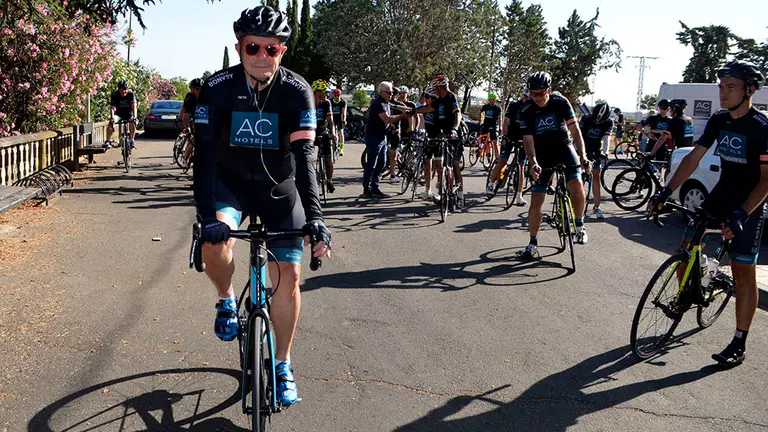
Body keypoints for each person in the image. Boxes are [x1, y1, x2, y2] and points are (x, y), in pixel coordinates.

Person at [192, 5, 331, 406]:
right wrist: (205, 218)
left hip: (278, 189)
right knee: (215, 244)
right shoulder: (217, 88)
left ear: (282, 52)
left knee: (288, 274)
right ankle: (224, 298)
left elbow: (305, 158)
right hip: (230, 185)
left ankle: (283, 363)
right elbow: (203, 156)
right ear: (239, 48)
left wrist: (317, 219)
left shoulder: (296, 90)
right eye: (253, 47)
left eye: (272, 50)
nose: (261, 57)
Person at [647, 60, 767, 367]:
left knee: (743, 272)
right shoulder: (718, 120)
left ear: (749, 90)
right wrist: (664, 190)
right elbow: (692, 160)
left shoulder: (761, 128)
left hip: (749, 203)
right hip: (721, 194)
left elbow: (766, 181)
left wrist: (742, 213)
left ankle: (739, 342)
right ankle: (691, 289)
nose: (723, 93)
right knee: (686, 246)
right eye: (721, 87)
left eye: (730, 88)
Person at [517, 71, 589, 261]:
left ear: (549, 90)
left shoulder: (560, 102)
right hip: (542, 154)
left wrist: (583, 154)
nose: (538, 97)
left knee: (576, 183)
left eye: (541, 93)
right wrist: (533, 163)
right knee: (536, 200)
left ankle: (580, 226)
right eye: (534, 94)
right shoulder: (526, 111)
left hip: (564, 148)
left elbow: (575, 130)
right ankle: (532, 243)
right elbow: (528, 141)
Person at [414, 74, 465, 205]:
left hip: (454, 135)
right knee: (442, 165)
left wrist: (455, 128)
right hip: (443, 135)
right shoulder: (439, 100)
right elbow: (428, 108)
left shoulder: (450, 97)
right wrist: (413, 111)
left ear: (439, 86)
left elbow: (457, 114)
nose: (434, 90)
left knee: (454, 164)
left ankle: (460, 194)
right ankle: (442, 192)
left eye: (435, 87)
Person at [362, 81, 412, 197]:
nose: (391, 94)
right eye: (389, 92)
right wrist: (403, 115)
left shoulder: (387, 102)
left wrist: (408, 110)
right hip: (373, 136)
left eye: (392, 92)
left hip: (382, 136)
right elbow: (387, 119)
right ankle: (367, 189)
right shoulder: (377, 103)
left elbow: (396, 106)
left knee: (382, 163)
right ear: (381, 92)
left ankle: (375, 187)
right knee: (372, 163)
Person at [487, 90, 529, 206]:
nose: (527, 100)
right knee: (502, 161)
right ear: (523, 96)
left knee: (521, 167)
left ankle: (519, 196)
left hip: (524, 140)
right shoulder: (514, 105)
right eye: (526, 97)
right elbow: (506, 122)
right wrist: (505, 136)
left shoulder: (533, 107)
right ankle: (491, 183)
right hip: (510, 137)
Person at [578, 101, 613, 219]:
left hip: (596, 150)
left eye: (600, 120)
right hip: (583, 147)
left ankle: (597, 207)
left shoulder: (609, 122)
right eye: (596, 119)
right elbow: (578, 135)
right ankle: (576, 203)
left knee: (596, 176)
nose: (597, 121)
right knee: (579, 177)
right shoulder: (586, 118)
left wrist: (605, 152)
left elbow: (607, 138)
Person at [312, 79, 336, 193]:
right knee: (307, 158)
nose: (327, 94)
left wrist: (333, 134)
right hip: (310, 133)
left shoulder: (326, 103)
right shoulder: (308, 101)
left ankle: (330, 181)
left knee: (328, 159)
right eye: (324, 91)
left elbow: (330, 120)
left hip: (323, 132)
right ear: (317, 92)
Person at [417, 85, 441, 200]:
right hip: (428, 139)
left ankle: (440, 191)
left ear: (433, 98)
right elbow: (421, 122)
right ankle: (428, 190)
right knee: (427, 164)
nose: (425, 99)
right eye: (424, 97)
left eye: (427, 97)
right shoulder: (425, 109)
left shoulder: (438, 110)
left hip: (438, 140)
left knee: (439, 166)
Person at [105, 80, 137, 149]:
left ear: (127, 89)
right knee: (111, 122)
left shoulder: (131, 94)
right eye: (121, 90)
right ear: (119, 89)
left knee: (133, 121)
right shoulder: (114, 95)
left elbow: (134, 106)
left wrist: (135, 116)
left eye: (125, 90)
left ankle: (132, 140)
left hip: (128, 114)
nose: (123, 92)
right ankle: (108, 140)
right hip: (119, 114)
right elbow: (112, 108)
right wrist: (112, 118)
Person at [179, 78, 202, 170]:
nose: (199, 91)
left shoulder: (205, 96)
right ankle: (185, 159)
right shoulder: (190, 98)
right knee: (193, 141)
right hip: (191, 117)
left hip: (200, 119)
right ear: (192, 89)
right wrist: (187, 128)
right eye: (197, 89)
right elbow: (186, 115)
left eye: (201, 88)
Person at [480, 93, 503, 159]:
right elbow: (481, 114)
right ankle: (488, 156)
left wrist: (500, 126)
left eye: (493, 100)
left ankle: (497, 159)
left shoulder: (498, 108)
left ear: (495, 100)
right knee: (486, 142)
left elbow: (500, 118)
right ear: (488, 100)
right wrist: (480, 122)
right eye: (490, 99)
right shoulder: (485, 106)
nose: (492, 101)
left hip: (494, 126)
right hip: (486, 125)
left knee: (495, 143)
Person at [330, 88, 347, 156]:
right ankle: (333, 143)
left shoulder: (343, 102)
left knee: (341, 132)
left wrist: (344, 120)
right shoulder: (330, 101)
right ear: (334, 96)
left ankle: (341, 149)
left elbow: (344, 112)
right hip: (332, 118)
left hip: (340, 118)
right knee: (333, 132)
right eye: (336, 96)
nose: (337, 97)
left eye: (338, 96)